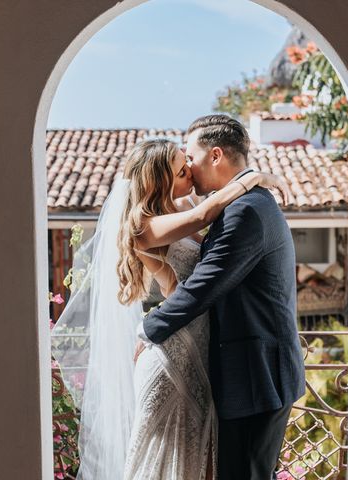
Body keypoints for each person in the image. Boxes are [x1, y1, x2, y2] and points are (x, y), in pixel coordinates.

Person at [51, 133, 287, 480]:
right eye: (180, 172)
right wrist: (256, 178)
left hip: (199, 346)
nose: (190, 173)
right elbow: (207, 213)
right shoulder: (143, 226)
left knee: (198, 459)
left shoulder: (178, 209)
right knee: (162, 459)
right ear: (160, 181)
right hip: (174, 352)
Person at [137, 115, 306, 480]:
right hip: (242, 370)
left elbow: (203, 286)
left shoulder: (245, 211)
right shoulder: (241, 204)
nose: (189, 166)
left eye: (192, 157)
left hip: (256, 376)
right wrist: (255, 177)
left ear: (215, 155)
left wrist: (147, 330)